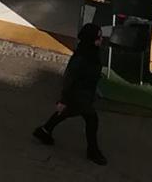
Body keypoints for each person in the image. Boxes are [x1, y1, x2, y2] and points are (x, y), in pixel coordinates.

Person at [33, 22, 107, 166]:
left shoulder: (90, 53)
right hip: (79, 95)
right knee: (91, 119)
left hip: (83, 94)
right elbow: (69, 78)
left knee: (67, 112)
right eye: (98, 37)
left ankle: (45, 130)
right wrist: (64, 99)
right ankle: (92, 151)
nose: (101, 39)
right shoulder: (82, 58)